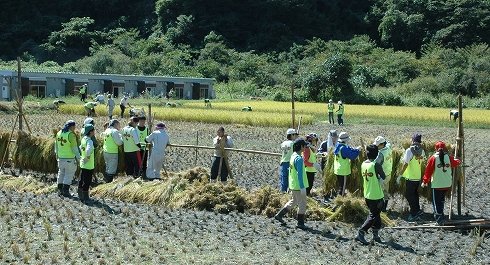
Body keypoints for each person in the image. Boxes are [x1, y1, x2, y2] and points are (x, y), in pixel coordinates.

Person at [421, 141, 461, 225]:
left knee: (436, 202)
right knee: (442, 200)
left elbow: (428, 171)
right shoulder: (449, 158)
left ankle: (439, 219)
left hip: (437, 184)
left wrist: (425, 181)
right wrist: (459, 160)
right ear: (445, 148)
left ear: (436, 149)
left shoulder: (433, 158)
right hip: (447, 184)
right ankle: (441, 215)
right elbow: (455, 163)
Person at [274, 138, 309, 229]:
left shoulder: (293, 156)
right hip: (298, 185)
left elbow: (290, 171)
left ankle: (279, 215)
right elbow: (300, 174)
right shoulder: (299, 159)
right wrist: (302, 187)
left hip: (293, 184)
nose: (305, 148)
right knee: (302, 204)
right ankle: (300, 223)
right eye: (304, 146)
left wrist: (290, 185)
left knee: (294, 201)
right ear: (301, 147)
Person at [355, 144, 386, 245]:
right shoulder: (376, 165)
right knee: (373, 215)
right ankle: (361, 232)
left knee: (376, 216)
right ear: (376, 154)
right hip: (376, 195)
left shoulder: (363, 164)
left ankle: (375, 234)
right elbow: (384, 176)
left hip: (367, 194)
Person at [397, 133, 426, 222]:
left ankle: (413, 213)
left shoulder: (409, 151)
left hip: (410, 177)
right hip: (417, 177)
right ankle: (417, 210)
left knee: (409, 195)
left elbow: (406, 163)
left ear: (413, 140)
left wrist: (400, 175)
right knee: (415, 194)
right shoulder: (422, 151)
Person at [54, 120, 81, 197]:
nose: (75, 128)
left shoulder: (59, 133)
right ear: (72, 127)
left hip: (60, 158)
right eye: (74, 127)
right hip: (69, 159)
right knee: (68, 175)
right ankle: (66, 191)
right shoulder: (71, 135)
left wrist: (57, 155)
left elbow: (56, 146)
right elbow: (74, 149)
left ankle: (59, 191)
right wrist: (79, 158)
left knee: (61, 173)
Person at [333, 132, 361, 196]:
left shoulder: (338, 146)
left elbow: (349, 150)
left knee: (341, 185)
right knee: (342, 187)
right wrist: (358, 150)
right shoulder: (343, 148)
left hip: (338, 169)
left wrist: (355, 149)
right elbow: (352, 156)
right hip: (343, 170)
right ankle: (340, 200)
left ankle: (340, 197)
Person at [373, 136, 393, 212]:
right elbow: (389, 143)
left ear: (381, 145)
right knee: (386, 191)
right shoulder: (388, 147)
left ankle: (380, 208)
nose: (376, 146)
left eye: (377, 145)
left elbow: (375, 164)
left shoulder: (381, 154)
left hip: (382, 176)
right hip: (389, 174)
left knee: (380, 192)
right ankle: (384, 207)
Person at [78, 124, 96, 204]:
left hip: (83, 163)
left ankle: (80, 194)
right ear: (91, 132)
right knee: (87, 181)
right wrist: (88, 157)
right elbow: (88, 150)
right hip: (88, 165)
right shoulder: (89, 141)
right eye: (93, 130)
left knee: (81, 179)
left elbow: (80, 147)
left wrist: (83, 157)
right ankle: (86, 197)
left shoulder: (83, 139)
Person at [279, 128, 299, 192]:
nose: (296, 136)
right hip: (290, 163)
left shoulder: (283, 143)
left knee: (283, 179)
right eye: (295, 135)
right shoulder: (293, 143)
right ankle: (290, 193)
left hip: (283, 162)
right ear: (292, 135)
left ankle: (283, 193)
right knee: (291, 179)